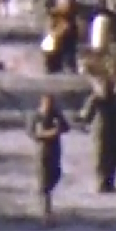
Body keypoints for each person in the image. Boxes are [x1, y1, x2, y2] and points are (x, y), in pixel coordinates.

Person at [79, 80, 116, 193]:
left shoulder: (96, 99)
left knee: (101, 157)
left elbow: (87, 115)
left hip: (101, 131)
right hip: (115, 130)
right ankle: (109, 182)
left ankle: (102, 182)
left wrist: (82, 118)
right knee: (112, 157)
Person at [30, 94, 69, 224]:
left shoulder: (56, 115)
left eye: (51, 103)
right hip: (42, 153)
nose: (49, 106)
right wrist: (48, 133)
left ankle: (45, 204)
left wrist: (59, 128)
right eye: (46, 104)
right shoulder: (36, 116)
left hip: (55, 152)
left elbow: (66, 127)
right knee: (44, 183)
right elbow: (33, 133)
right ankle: (46, 213)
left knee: (56, 175)